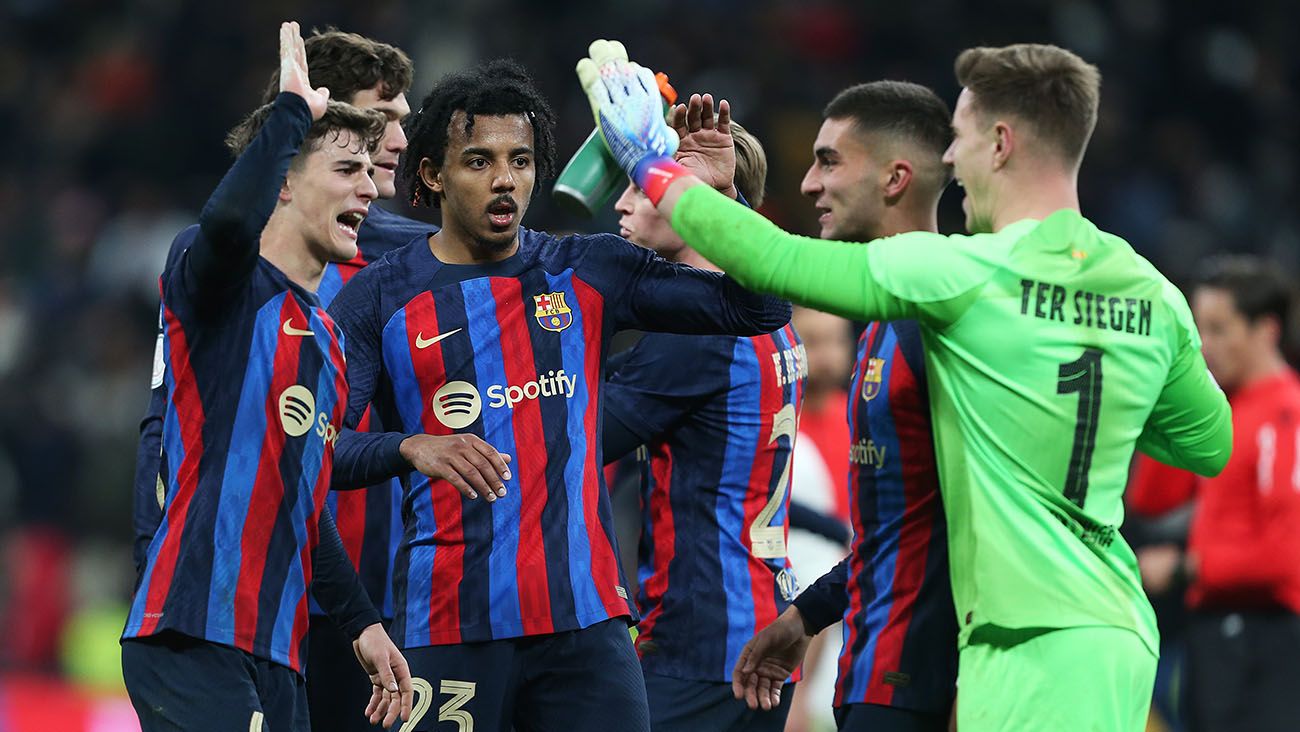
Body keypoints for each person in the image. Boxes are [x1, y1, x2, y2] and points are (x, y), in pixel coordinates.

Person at [578, 40, 1232, 731]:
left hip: (1020, 641)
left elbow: (772, 261)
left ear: (1001, 144)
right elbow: (1206, 445)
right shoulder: (1149, 290)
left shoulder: (963, 277)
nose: (949, 161)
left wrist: (652, 159)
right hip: (1117, 634)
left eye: (960, 139)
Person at [326, 59, 790, 732]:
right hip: (451, 624)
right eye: (478, 161)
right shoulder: (380, 296)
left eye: (520, 160)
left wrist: (719, 203)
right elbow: (318, 452)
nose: (505, 179)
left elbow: (761, 309)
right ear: (431, 174)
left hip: (588, 630)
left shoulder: (587, 271)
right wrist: (409, 446)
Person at [128, 28, 432, 731]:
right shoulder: (220, 285)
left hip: (281, 639)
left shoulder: (325, 333)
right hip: (195, 627)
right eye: (349, 164)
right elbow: (231, 223)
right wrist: (294, 111)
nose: (373, 181)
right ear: (285, 180)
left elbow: (300, 492)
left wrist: (363, 621)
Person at [732, 82, 959, 732]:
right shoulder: (881, 327)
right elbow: (895, 530)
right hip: (870, 664)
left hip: (927, 679)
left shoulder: (948, 323)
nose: (808, 183)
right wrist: (803, 618)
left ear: (895, 177)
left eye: (829, 160)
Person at [604, 120, 805, 731]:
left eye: (642, 187)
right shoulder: (770, 319)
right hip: (762, 623)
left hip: (700, 640)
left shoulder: (697, 337)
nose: (621, 203)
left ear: (697, 208)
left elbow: (575, 437)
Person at [1129, 256, 1300, 732]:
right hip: (1215, 632)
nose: (1205, 346)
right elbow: (1152, 497)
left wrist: (1185, 566)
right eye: (1199, 328)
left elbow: (1286, 558)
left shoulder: (1286, 414)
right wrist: (1172, 393)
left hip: (1264, 638)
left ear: (1265, 330)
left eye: (1219, 329)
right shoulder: (1224, 408)